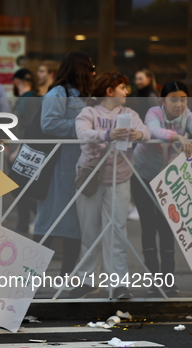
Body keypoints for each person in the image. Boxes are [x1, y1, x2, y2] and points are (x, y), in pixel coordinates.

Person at [72, 72, 150, 299]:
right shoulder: (88, 112)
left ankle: (118, 284)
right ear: (109, 91)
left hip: (120, 177)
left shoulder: (130, 113)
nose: (127, 91)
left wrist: (137, 134)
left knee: (117, 230)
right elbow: (82, 133)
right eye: (122, 87)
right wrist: (108, 133)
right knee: (89, 230)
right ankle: (87, 279)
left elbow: (146, 131)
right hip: (90, 178)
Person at [32, 51, 95, 278]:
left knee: (75, 226)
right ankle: (28, 277)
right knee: (48, 222)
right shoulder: (58, 93)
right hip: (58, 169)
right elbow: (48, 124)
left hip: (78, 168)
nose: (92, 72)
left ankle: (67, 277)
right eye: (89, 68)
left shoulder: (84, 95)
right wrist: (81, 127)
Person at [133, 81, 192, 297]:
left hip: (170, 179)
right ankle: (153, 282)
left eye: (183, 99)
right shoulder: (153, 112)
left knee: (168, 228)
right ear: (162, 101)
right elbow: (153, 130)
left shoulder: (188, 115)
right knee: (148, 227)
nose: (179, 104)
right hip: (142, 176)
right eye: (173, 99)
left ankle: (169, 281)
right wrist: (177, 136)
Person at [10, 68, 39, 236]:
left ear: (17, 81)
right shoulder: (24, 99)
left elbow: (31, 127)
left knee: (21, 188)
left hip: (22, 153)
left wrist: (20, 150)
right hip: (17, 150)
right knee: (20, 189)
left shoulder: (29, 100)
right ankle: (23, 225)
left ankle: (39, 219)